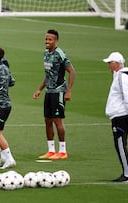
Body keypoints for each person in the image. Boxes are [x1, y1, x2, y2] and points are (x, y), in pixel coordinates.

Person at [33, 29, 75, 160]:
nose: (47, 41)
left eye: (50, 39)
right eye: (46, 39)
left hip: (59, 91)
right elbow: (48, 74)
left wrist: (68, 91)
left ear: (55, 40)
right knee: (47, 121)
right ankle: (51, 150)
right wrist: (39, 89)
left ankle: (62, 151)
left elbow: (72, 71)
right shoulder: (46, 53)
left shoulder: (60, 54)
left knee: (58, 121)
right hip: (49, 92)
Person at [103, 52, 128, 182]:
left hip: (120, 115)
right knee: (120, 144)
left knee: (120, 144)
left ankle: (127, 174)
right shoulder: (120, 76)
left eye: (110, 62)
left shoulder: (121, 77)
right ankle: (126, 173)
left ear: (117, 63)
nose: (108, 65)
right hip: (119, 114)